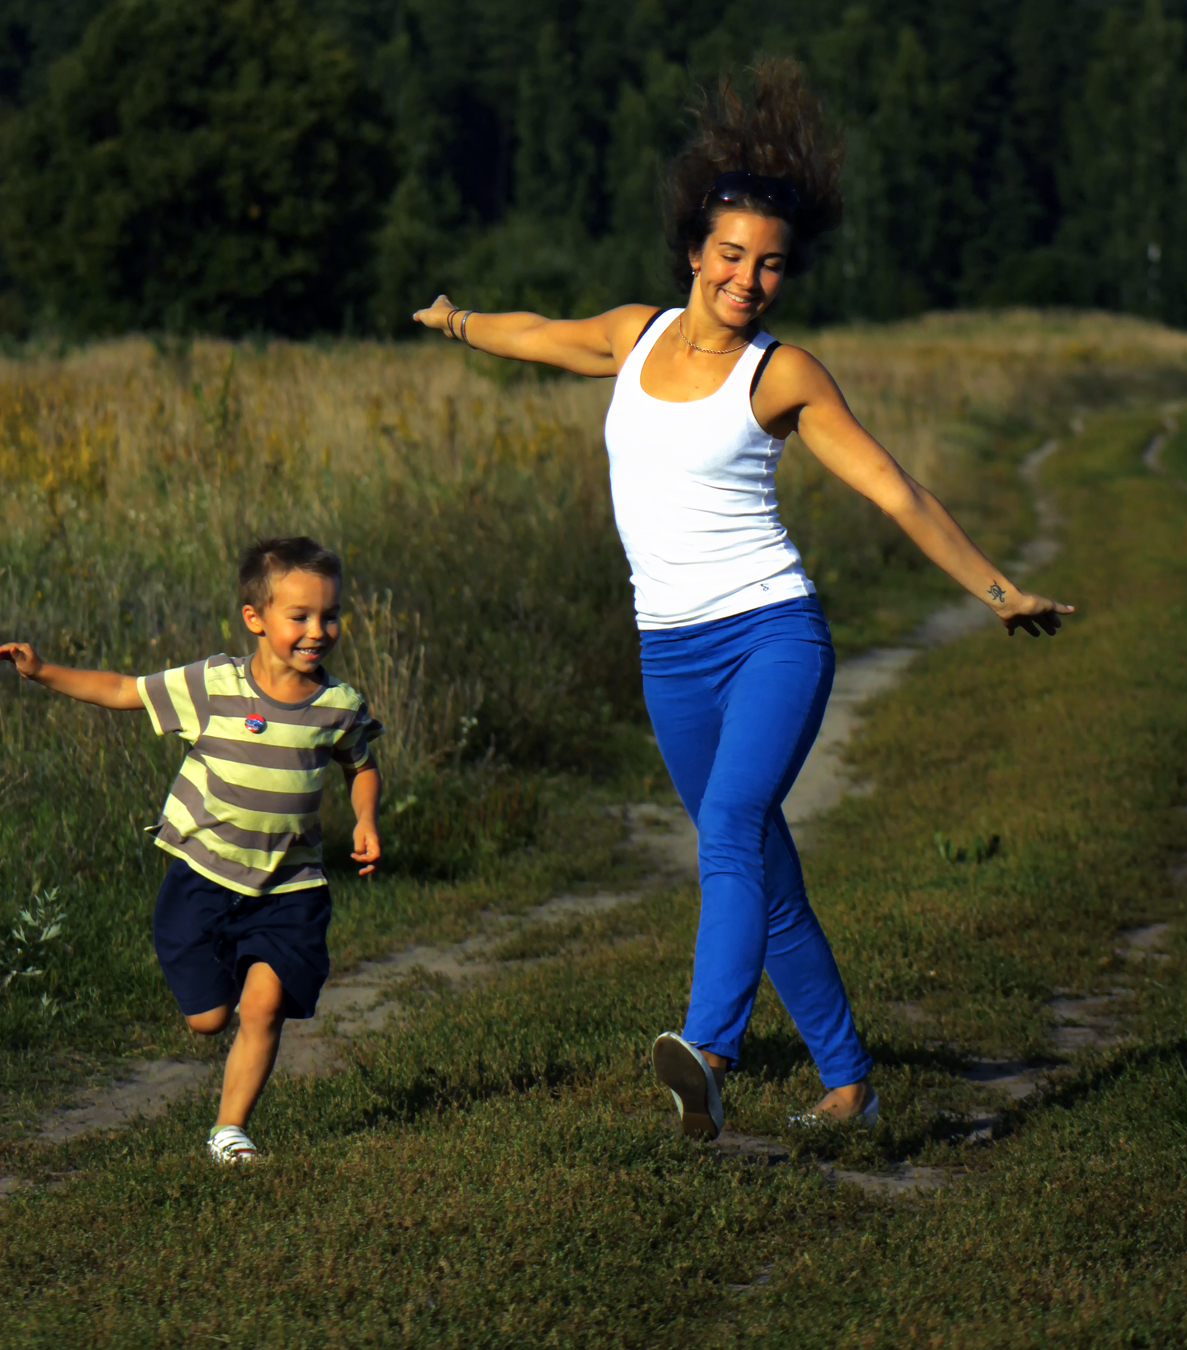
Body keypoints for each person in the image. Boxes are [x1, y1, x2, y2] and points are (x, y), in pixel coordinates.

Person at [413, 58, 1072, 1141]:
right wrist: (455, 320)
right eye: (731, 257)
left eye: (769, 265)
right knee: (758, 868)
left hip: (772, 633)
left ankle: (708, 1051)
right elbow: (536, 333)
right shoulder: (632, 337)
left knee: (727, 823)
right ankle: (851, 1082)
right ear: (694, 253)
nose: (748, 279)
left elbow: (895, 488)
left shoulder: (783, 375)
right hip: (668, 653)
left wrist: (998, 590)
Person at [0, 534, 383, 1164]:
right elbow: (124, 690)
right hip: (202, 878)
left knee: (264, 1006)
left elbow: (361, 765)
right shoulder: (215, 685)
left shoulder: (339, 706)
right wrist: (42, 671)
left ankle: (229, 1131)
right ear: (255, 619)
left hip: (289, 885)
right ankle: (224, 968)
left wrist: (365, 818)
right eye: (300, 616)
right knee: (208, 1020)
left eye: (330, 615)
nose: (319, 630)